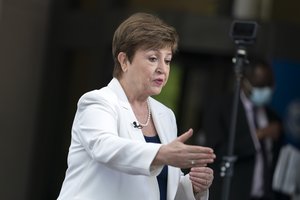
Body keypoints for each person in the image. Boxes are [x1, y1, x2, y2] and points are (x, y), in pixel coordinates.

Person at [57, 12, 215, 200]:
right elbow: (105, 147)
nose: (162, 69)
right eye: (152, 58)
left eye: (167, 60)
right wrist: (162, 153)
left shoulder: (165, 115)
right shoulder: (97, 101)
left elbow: (160, 189)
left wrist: (193, 186)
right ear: (124, 61)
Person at [202, 59, 288, 200]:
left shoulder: (273, 117)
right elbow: (216, 152)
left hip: (266, 195)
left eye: (269, 85)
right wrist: (259, 135)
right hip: (232, 194)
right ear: (244, 82)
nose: (265, 90)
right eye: (260, 86)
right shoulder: (222, 109)